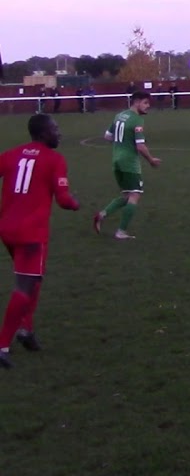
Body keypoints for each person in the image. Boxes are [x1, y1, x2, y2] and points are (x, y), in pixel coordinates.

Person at [0, 114, 81, 368]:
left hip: (7, 228)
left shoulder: (13, 154)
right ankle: (2, 344)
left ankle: (27, 331)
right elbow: (63, 199)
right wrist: (74, 204)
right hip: (31, 232)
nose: (58, 133)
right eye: (54, 129)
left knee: (33, 278)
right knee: (24, 285)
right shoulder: (55, 159)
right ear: (43, 133)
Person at [92, 92, 160, 241]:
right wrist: (151, 160)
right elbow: (140, 146)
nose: (148, 106)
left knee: (127, 195)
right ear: (136, 102)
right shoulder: (137, 120)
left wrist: (121, 143)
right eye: (145, 103)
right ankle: (121, 231)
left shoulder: (119, 115)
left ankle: (102, 215)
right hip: (129, 162)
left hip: (116, 160)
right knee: (135, 195)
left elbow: (107, 136)